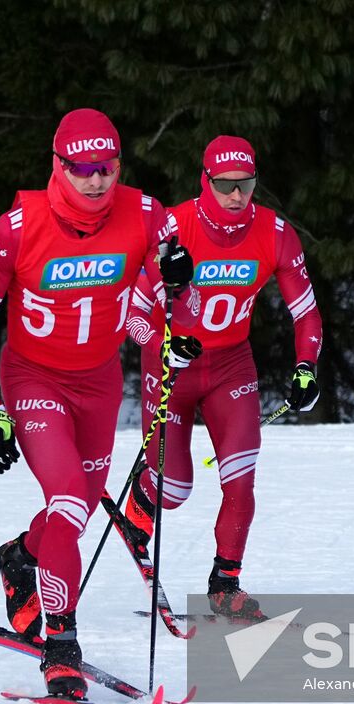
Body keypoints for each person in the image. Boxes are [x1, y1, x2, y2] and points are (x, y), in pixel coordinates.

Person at [0, 108, 199, 699]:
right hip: (33, 377)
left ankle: (19, 558)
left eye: (107, 168)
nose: (96, 181)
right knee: (67, 498)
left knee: (78, 512)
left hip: (98, 381)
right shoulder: (15, 228)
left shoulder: (146, 214)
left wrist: (179, 300)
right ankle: (60, 646)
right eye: (83, 169)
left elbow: (177, 294)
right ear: (58, 167)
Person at [120, 135, 323, 621]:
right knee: (177, 490)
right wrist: (163, 344)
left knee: (241, 475)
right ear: (205, 181)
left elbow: (306, 312)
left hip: (231, 364)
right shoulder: (174, 225)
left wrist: (305, 367)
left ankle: (224, 583)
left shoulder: (274, 233)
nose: (236, 195)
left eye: (246, 184)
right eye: (226, 185)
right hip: (172, 365)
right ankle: (142, 503)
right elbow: (132, 313)